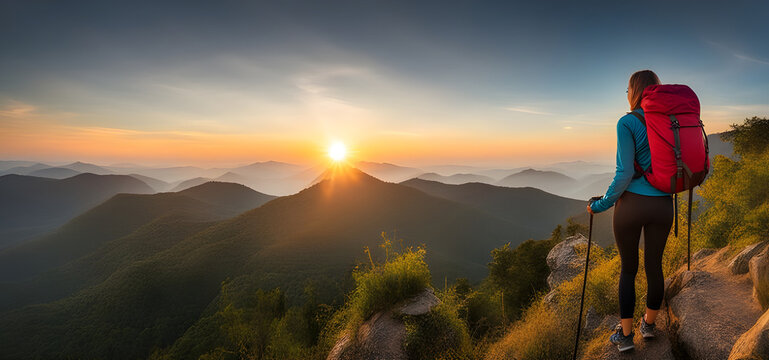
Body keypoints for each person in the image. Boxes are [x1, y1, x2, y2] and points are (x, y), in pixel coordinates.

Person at [587, 70, 674, 352]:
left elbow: (624, 173)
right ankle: (648, 325)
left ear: (634, 91)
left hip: (632, 206)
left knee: (628, 270)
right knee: (654, 266)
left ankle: (625, 338)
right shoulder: (669, 121)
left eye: (627, 90)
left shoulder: (627, 122)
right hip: (663, 204)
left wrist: (600, 204)